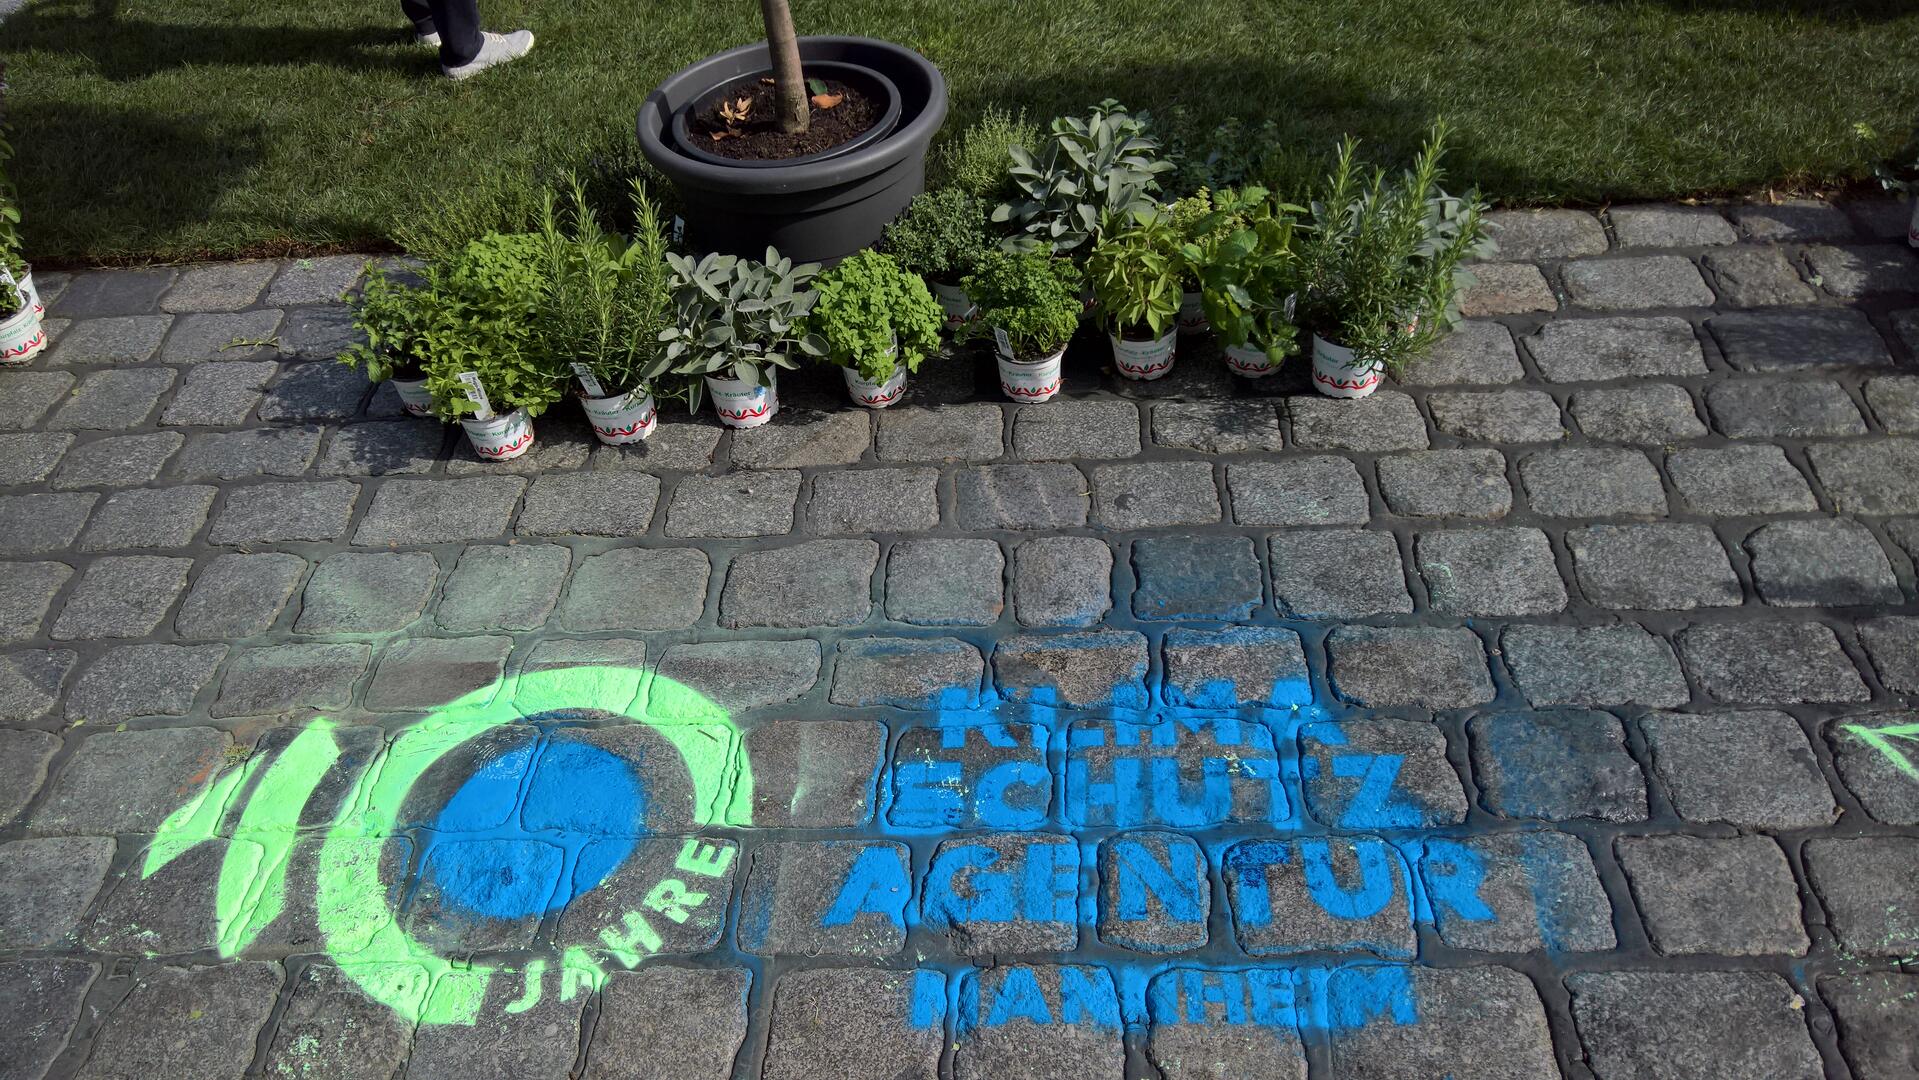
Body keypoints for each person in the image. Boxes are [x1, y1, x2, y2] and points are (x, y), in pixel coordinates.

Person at [399, 0, 534, 80]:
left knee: (427, 16)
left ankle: (429, 20)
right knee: (462, 43)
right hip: (462, 47)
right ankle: (464, 47)